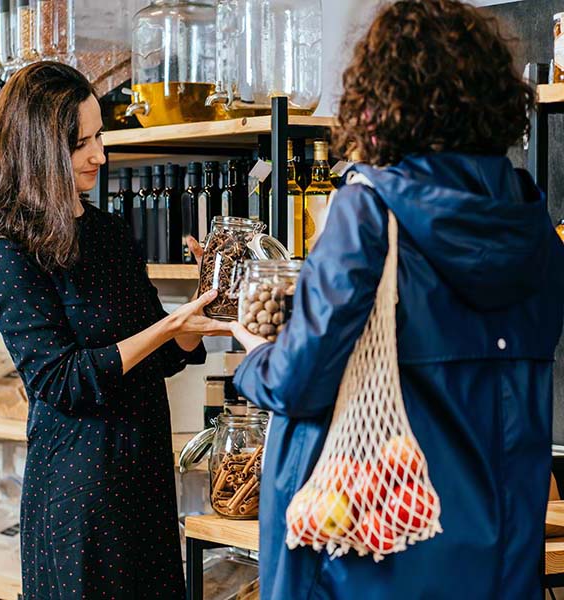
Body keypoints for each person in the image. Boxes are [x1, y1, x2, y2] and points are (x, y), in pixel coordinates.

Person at [230, 0, 564, 598]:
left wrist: (255, 354)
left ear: (381, 100)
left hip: (379, 552)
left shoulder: (370, 210)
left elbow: (298, 380)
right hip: (501, 558)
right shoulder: (532, 222)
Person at [0, 62, 230, 599]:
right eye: (79, 142)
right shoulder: (10, 254)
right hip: (80, 504)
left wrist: (200, 311)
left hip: (146, 486)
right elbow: (61, 380)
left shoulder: (108, 231)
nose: (99, 155)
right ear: (38, 151)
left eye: (99, 136)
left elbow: (162, 353)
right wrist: (166, 327)